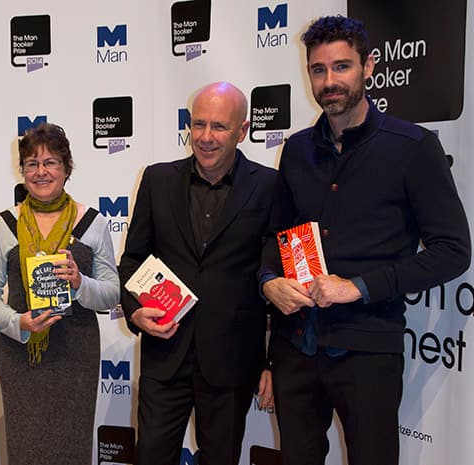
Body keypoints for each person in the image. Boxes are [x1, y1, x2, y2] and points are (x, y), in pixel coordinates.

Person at [259, 16, 470, 465]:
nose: (329, 81)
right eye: (319, 69)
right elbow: (275, 237)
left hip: (369, 349)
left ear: (369, 66)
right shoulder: (296, 149)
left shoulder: (412, 147)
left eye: (342, 67)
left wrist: (358, 286)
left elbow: (454, 251)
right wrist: (268, 282)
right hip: (296, 346)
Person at [119, 82, 275, 465]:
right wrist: (136, 312)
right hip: (164, 354)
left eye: (219, 127)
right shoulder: (157, 180)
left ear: (243, 130)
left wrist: (273, 362)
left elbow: (276, 276)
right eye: (198, 124)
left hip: (232, 359)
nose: (205, 137)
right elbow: (132, 261)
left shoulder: (269, 186)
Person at [0, 122, 120, 464]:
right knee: (27, 451)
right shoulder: (3, 225)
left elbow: (112, 294)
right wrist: (17, 322)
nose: (41, 172)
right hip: (22, 356)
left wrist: (80, 282)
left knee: (73, 450)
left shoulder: (92, 223)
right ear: (23, 170)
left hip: (76, 356)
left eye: (50, 162)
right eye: (32, 164)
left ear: (67, 168)